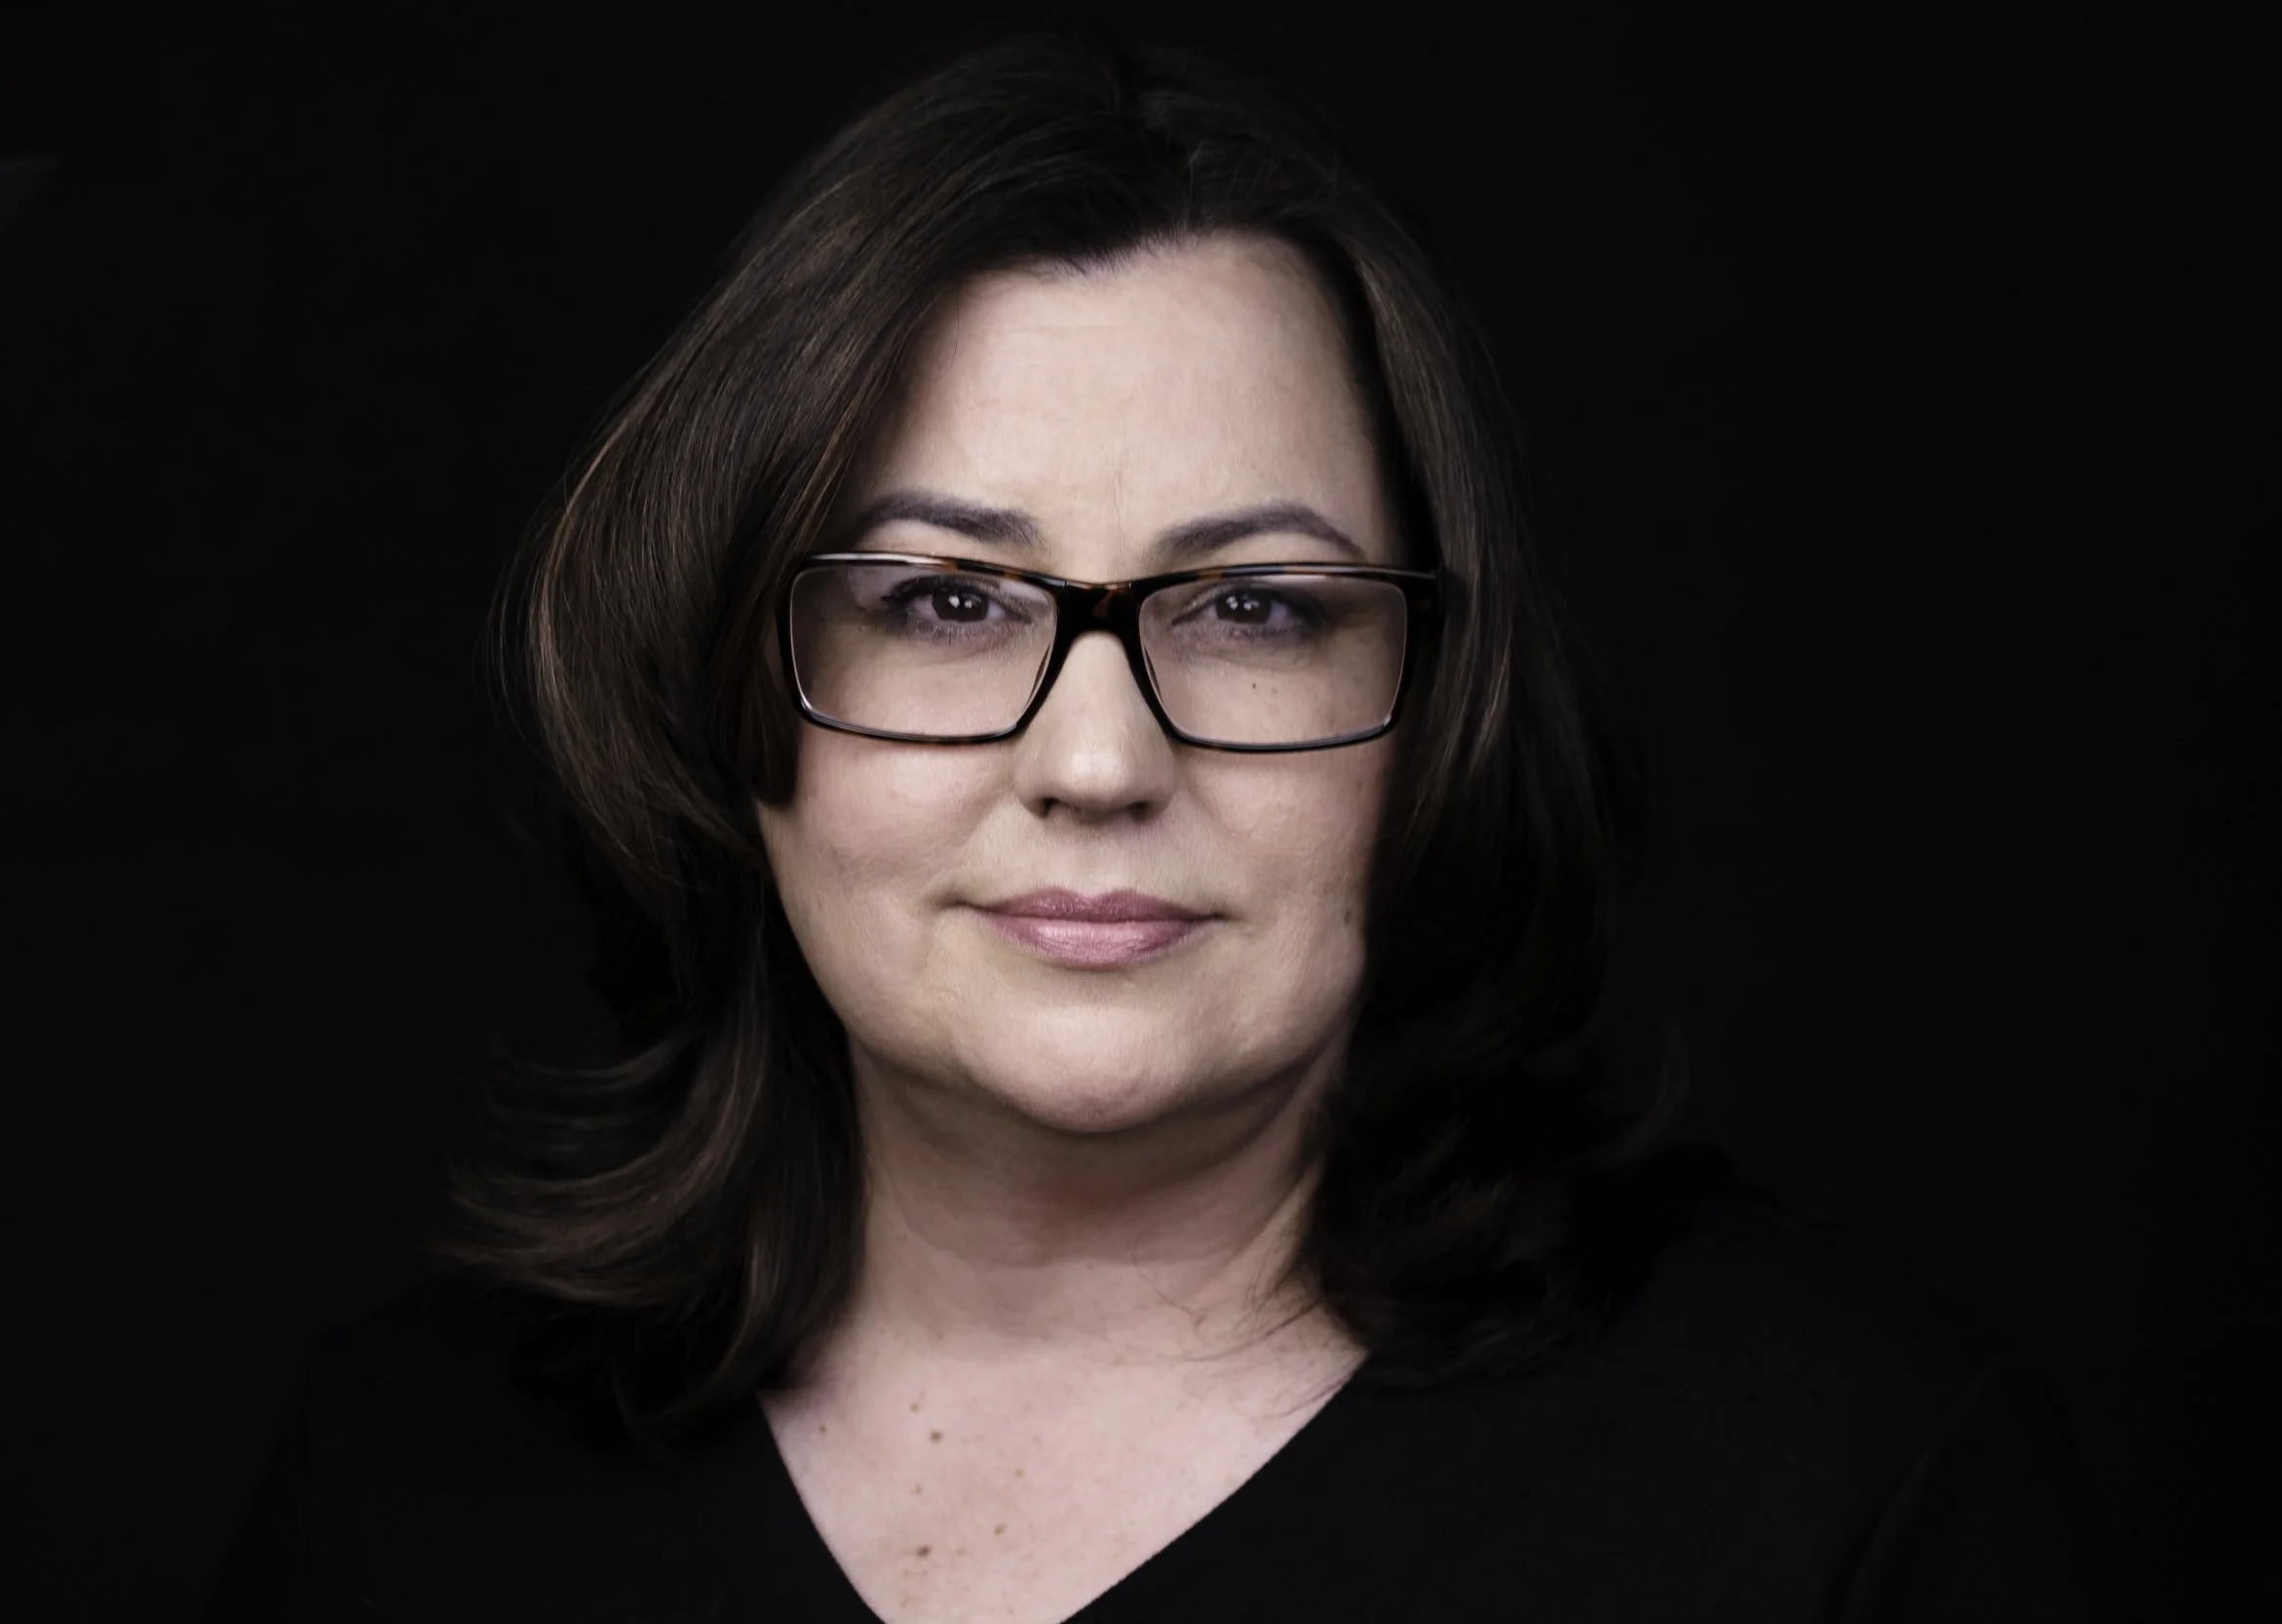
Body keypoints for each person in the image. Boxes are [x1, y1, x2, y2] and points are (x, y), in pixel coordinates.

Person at [209, 32, 2138, 1623]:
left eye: (1257, 609)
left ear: (1437, 708)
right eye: (945, 599)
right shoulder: (404, 1483)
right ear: (727, 687)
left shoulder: (1847, 1487)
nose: (1098, 757)